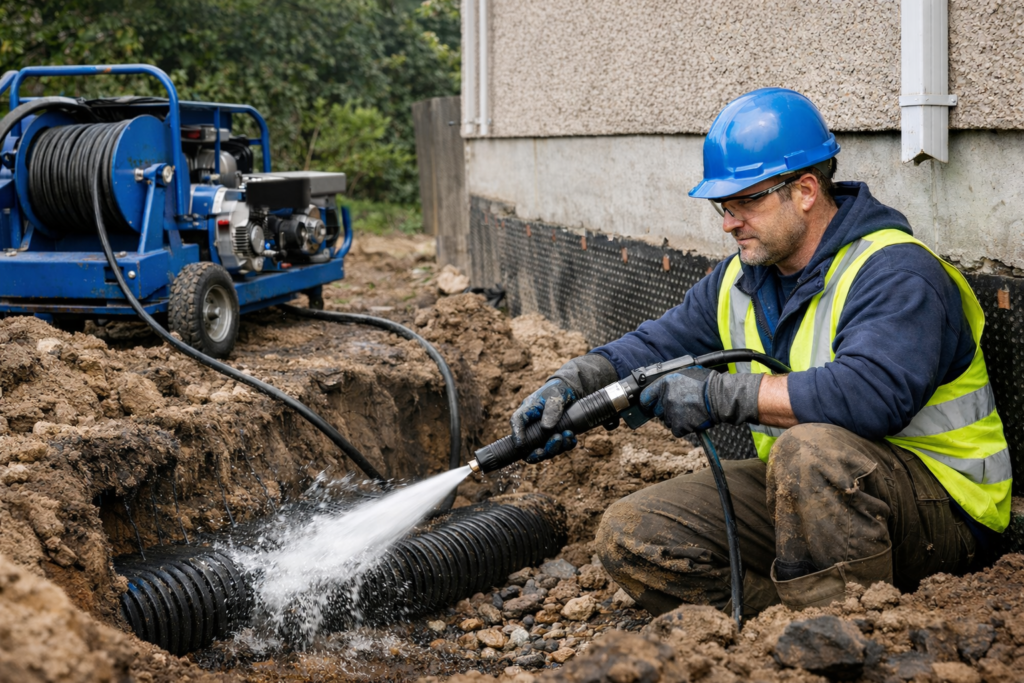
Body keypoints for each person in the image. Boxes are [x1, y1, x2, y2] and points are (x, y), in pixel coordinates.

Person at [509, 88, 1011, 617]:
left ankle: (851, 631)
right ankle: (787, 626)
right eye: (722, 206)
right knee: (633, 532)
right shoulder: (740, 280)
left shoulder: (894, 271)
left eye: (746, 200)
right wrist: (575, 381)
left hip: (945, 513)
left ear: (806, 191)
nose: (729, 222)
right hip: (807, 498)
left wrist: (717, 394)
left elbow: (871, 396)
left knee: (808, 451)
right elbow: (657, 344)